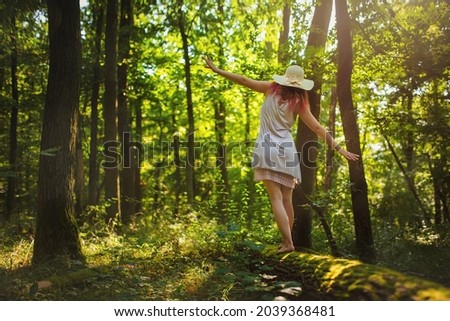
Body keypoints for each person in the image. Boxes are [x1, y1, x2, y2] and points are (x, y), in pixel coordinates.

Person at [203, 56, 359, 254]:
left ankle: (288, 243)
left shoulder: (270, 88)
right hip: (287, 150)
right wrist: (340, 149)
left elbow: (243, 79)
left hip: (267, 147)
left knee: (276, 198)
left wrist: (218, 71)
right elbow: (318, 128)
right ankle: (288, 241)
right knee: (287, 198)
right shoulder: (300, 101)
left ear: (284, 78)